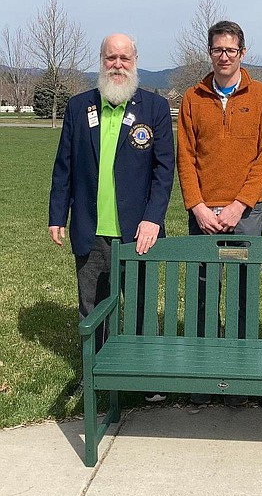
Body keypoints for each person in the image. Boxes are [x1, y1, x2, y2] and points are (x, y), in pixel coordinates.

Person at [48, 33, 175, 402]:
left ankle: (145, 378)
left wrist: (153, 219)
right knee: (92, 306)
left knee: (140, 307)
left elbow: (164, 171)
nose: (117, 65)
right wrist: (57, 215)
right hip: (91, 228)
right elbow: (64, 166)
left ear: (135, 61)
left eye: (124, 58)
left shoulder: (154, 107)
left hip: (139, 233)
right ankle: (96, 374)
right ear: (101, 60)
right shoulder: (79, 107)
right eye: (110, 57)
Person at [176, 20, 262, 406]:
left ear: (242, 53)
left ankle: (238, 380)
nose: (224, 56)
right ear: (210, 53)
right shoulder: (192, 98)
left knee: (242, 295)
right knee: (204, 294)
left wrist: (240, 205)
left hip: (246, 215)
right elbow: (185, 157)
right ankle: (203, 380)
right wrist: (197, 206)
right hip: (203, 215)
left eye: (230, 50)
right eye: (218, 50)